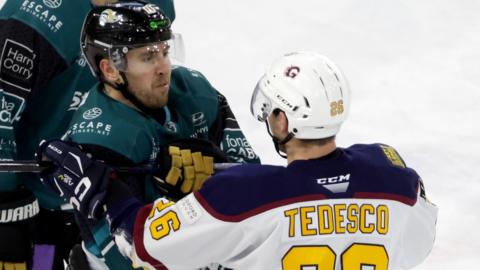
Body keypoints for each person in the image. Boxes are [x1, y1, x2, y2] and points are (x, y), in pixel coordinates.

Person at [38, 51, 438, 269]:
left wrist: (101, 188)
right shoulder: (398, 182)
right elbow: (419, 242)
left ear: (283, 119)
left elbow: (145, 244)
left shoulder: (244, 195)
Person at [39, 1, 259, 269]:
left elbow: (256, 188)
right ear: (110, 69)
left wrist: (218, 172)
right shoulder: (100, 138)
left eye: (165, 51)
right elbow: (130, 259)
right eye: (147, 57)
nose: (164, 67)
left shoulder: (197, 92)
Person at [0, 0, 175, 269]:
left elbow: (152, 82)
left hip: (113, 196)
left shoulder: (153, 8)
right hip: (41, 212)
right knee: (42, 262)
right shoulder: (35, 20)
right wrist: (7, 215)